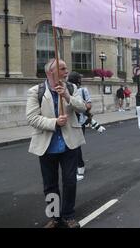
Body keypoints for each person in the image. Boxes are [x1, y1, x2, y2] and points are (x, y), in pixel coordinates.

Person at [26, 59, 86, 228]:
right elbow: (31, 117)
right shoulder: (36, 91)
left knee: (70, 181)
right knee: (50, 184)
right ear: (49, 73)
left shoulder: (72, 88)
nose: (67, 71)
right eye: (62, 68)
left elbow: (82, 108)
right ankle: (54, 216)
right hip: (47, 145)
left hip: (70, 144)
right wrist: (54, 123)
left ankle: (68, 215)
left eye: (66, 67)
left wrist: (67, 96)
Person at [67, 72, 91, 182]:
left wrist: (81, 104)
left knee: (76, 145)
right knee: (69, 145)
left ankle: (80, 166)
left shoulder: (83, 91)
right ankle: (74, 167)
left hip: (80, 121)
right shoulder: (66, 90)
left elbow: (88, 105)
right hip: (68, 121)